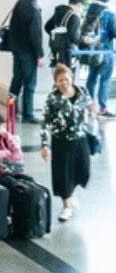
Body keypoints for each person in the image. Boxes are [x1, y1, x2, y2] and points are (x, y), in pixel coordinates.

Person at [41, 63, 95, 222]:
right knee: (63, 175)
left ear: (71, 78)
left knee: (83, 170)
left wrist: (93, 111)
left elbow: (90, 104)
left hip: (80, 138)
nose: (63, 82)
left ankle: (71, 193)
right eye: (60, 80)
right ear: (55, 82)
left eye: (66, 79)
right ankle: (67, 205)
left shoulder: (82, 92)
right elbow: (45, 122)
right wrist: (45, 145)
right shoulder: (52, 98)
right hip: (61, 140)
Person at [8, 0, 46, 123]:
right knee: (30, 83)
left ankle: (11, 111)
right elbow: (35, 35)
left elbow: (12, 25)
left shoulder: (20, 3)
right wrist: (39, 55)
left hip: (17, 49)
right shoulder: (34, 10)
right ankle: (28, 114)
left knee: (16, 79)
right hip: (28, 52)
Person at [83, 0, 116, 116]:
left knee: (92, 77)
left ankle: (90, 105)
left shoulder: (89, 11)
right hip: (106, 50)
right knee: (105, 79)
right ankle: (103, 107)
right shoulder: (109, 13)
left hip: (92, 51)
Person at [44, 0, 84, 68]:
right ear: (79, 4)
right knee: (67, 77)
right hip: (67, 54)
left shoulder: (58, 13)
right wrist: (84, 39)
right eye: (81, 7)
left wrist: (56, 35)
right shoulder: (74, 17)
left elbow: (47, 27)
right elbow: (74, 37)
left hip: (55, 53)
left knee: (58, 76)